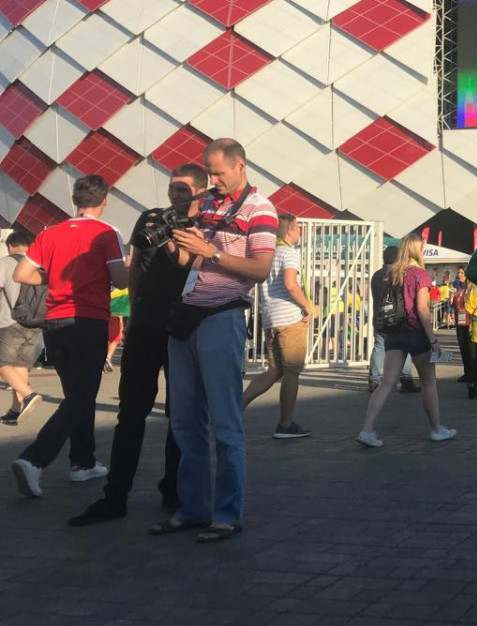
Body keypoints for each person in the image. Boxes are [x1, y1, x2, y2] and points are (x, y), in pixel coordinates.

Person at [151, 138, 277, 543]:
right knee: (185, 421)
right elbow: (189, 261)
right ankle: (192, 509)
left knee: (225, 421)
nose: (214, 181)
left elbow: (260, 268)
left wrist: (211, 251)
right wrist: (175, 241)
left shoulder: (261, 209)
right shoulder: (207, 206)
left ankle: (227, 513)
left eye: (219, 173)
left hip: (222, 315)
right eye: (209, 174)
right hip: (188, 315)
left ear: (241, 165)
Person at [69, 164, 207, 527]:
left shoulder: (206, 227)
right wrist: (135, 312)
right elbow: (134, 267)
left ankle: (173, 492)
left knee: (180, 416)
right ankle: (115, 496)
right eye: (173, 188)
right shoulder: (151, 219)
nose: (176, 195)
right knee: (130, 414)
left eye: (183, 189)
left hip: (182, 329)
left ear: (199, 191)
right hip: (145, 328)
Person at [10, 175, 129, 498]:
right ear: (105, 200)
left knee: (78, 394)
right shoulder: (107, 233)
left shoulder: (51, 233)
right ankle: (34, 459)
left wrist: (55, 276)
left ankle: (82, 462)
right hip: (88, 320)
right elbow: (119, 277)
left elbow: (21, 274)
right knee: (81, 396)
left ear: (75, 200)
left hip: (55, 322)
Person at [358, 233, 456, 447]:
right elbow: (421, 309)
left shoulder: (392, 273)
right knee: (429, 382)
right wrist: (433, 339)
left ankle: (367, 429)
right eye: (421, 248)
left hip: (394, 332)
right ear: (416, 249)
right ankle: (436, 428)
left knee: (386, 383)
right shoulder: (420, 274)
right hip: (415, 332)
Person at [241, 214, 317, 439]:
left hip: (270, 319)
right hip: (289, 319)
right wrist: (308, 307)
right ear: (291, 229)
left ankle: (237, 407)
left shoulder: (269, 254)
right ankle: (285, 424)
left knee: (275, 370)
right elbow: (290, 284)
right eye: (298, 227)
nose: (300, 232)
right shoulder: (289, 253)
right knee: (292, 371)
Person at [0, 228, 43, 425]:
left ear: (10, 246)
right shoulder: (39, 264)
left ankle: (27, 395)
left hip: (9, 321)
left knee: (2, 363)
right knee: (20, 365)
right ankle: (16, 409)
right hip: (35, 322)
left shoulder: (5, 263)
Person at [368, 246, 419, 394]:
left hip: (379, 318)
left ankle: (374, 380)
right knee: (404, 348)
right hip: (397, 319)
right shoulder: (399, 275)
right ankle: (406, 380)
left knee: (379, 347)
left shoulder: (376, 276)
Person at [451, 268, 472, 383]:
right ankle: (466, 372)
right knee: (463, 348)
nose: (459, 275)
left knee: (469, 349)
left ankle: (471, 374)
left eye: (462, 273)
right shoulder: (458, 287)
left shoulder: (470, 287)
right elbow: (455, 304)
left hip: (469, 322)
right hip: (459, 321)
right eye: (458, 272)